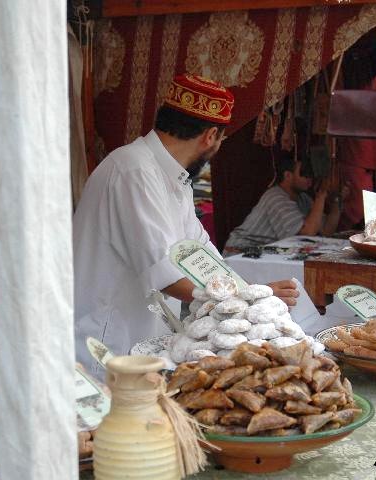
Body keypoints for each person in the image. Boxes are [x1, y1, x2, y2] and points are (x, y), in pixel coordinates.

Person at [72, 74, 298, 372]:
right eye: (221, 140)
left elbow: (199, 256)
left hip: (139, 344)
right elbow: (169, 278)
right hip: (106, 346)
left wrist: (254, 293)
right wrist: (245, 301)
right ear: (210, 136)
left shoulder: (173, 178)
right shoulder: (133, 171)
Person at [224, 154, 348, 252]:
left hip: (265, 253)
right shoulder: (275, 197)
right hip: (240, 252)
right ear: (288, 175)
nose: (309, 179)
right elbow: (307, 232)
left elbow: (326, 230)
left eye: (310, 174)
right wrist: (321, 194)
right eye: (304, 174)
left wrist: (337, 199)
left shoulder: (303, 198)